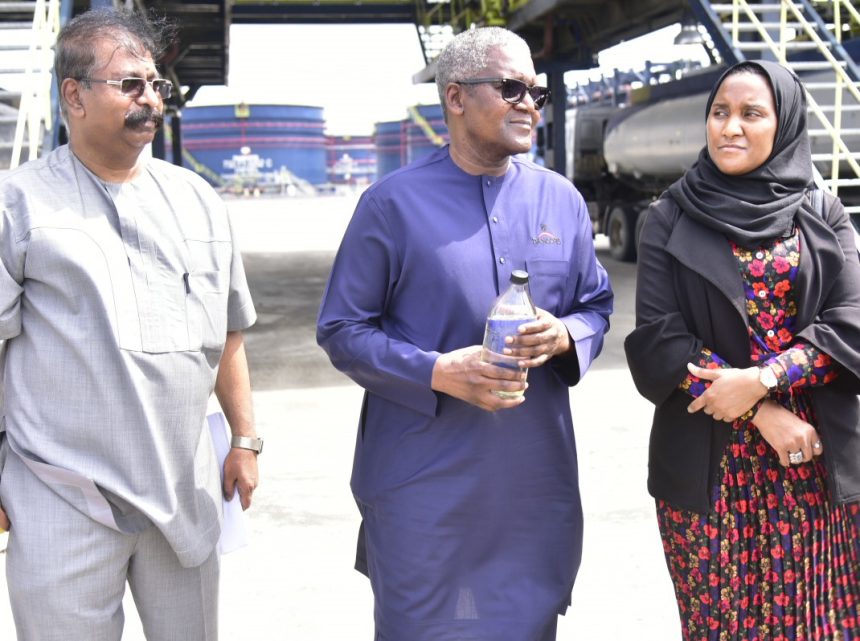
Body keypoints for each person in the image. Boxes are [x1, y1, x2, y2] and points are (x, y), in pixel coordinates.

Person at [317, 26, 613, 641]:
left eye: (535, 91)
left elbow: (596, 307)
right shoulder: (391, 205)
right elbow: (342, 329)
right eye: (510, 88)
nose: (529, 103)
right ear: (455, 97)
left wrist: (563, 335)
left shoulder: (562, 202)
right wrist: (436, 371)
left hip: (532, 488)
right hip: (424, 489)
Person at [0, 8, 259, 640]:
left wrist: (246, 439)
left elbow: (228, 329)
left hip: (184, 492)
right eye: (130, 85)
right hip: (61, 493)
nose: (150, 98)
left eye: (156, 84)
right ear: (74, 95)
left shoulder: (196, 199)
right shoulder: (20, 203)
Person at [625, 59, 860, 640]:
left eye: (752, 114)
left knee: (821, 625)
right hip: (712, 470)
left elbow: (851, 321)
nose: (730, 127)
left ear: (783, 124)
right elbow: (658, 337)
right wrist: (757, 409)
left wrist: (766, 379)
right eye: (719, 113)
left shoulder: (821, 212)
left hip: (815, 463)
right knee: (723, 627)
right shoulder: (669, 216)